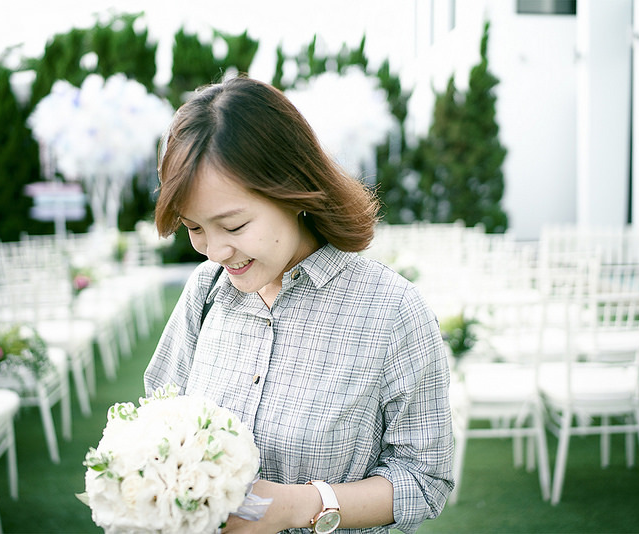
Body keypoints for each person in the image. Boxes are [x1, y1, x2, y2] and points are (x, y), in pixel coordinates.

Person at [144, 75, 453, 534]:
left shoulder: (391, 311)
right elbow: (158, 419)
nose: (214, 251)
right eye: (194, 228)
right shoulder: (205, 293)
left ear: (292, 189)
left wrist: (298, 506)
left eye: (233, 225)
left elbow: (425, 479)